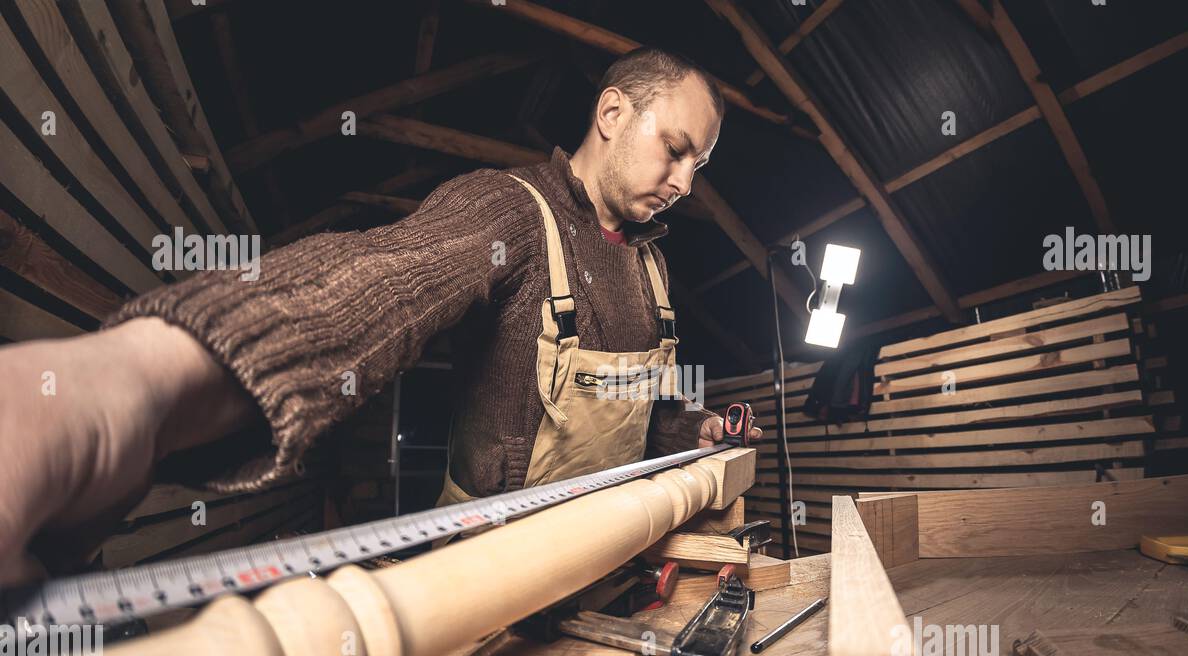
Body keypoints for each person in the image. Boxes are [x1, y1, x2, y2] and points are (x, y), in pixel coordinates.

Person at [0, 47, 762, 582]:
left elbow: (632, 410)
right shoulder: (511, 213)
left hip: (614, 558)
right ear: (611, 112)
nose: (686, 183)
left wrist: (685, 430)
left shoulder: (650, 266)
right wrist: (129, 384)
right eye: (676, 148)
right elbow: (375, 282)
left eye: (700, 165)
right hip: (489, 579)